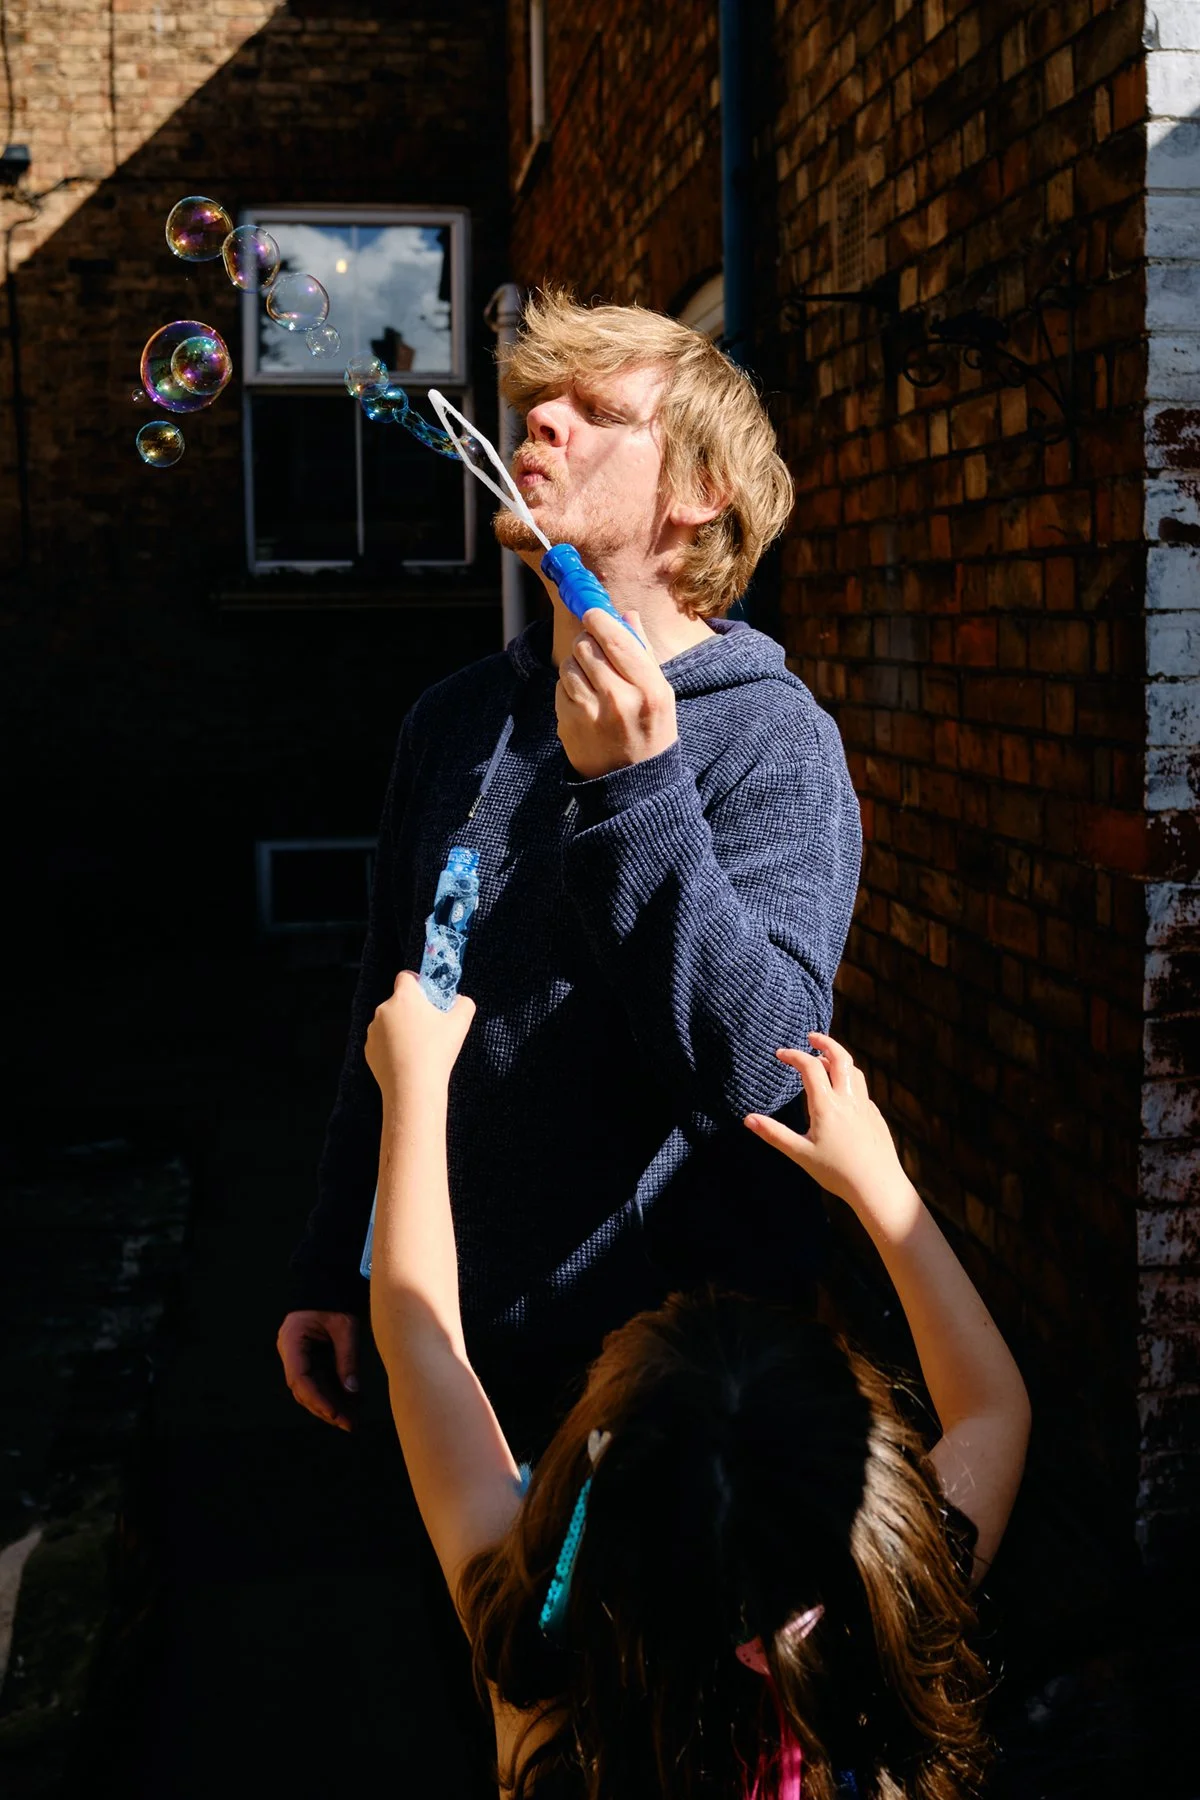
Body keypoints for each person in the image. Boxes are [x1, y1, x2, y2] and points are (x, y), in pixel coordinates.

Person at [277, 290, 863, 1447]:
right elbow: (393, 1001)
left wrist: (636, 789)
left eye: (597, 410)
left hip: (663, 1386)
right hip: (444, 1342)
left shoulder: (771, 739)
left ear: (701, 495)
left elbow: (765, 1076)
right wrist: (333, 1256)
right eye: (538, 401)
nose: (541, 418)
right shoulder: (452, 723)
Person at [364, 974, 1031, 1800]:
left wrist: (414, 1089)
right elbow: (995, 1408)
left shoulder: (545, 1693)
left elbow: (415, 1346)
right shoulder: (892, 1621)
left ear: (593, 1476)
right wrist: (879, 1182)